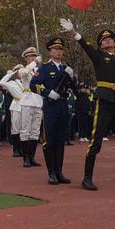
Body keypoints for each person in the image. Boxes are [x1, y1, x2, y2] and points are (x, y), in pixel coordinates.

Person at [60, 18, 115, 191]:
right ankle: (87, 178)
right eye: (104, 40)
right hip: (103, 100)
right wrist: (74, 31)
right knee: (96, 140)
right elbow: (85, 46)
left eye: (110, 39)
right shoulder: (99, 56)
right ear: (101, 45)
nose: (108, 41)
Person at [31, 37, 74, 185]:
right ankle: (51, 172)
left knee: (60, 140)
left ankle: (59, 171)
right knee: (50, 140)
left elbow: (73, 87)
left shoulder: (65, 69)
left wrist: (72, 77)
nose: (58, 52)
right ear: (50, 51)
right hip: (50, 107)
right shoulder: (44, 68)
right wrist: (48, 93)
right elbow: (33, 84)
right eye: (55, 49)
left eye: (60, 49)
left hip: (62, 105)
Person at [18, 47, 43, 168]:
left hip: (38, 101)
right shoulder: (24, 69)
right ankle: (25, 158)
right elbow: (23, 73)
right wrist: (35, 63)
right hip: (27, 101)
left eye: (34, 56)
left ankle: (32, 157)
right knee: (25, 130)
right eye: (31, 56)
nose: (33, 58)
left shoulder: (39, 70)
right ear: (26, 58)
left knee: (35, 131)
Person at [0, 64, 24, 157]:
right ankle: (16, 149)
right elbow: (2, 82)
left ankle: (22, 148)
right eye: (19, 71)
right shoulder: (11, 83)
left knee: (23, 128)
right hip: (17, 105)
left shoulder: (26, 81)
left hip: (25, 105)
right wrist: (11, 74)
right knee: (15, 128)